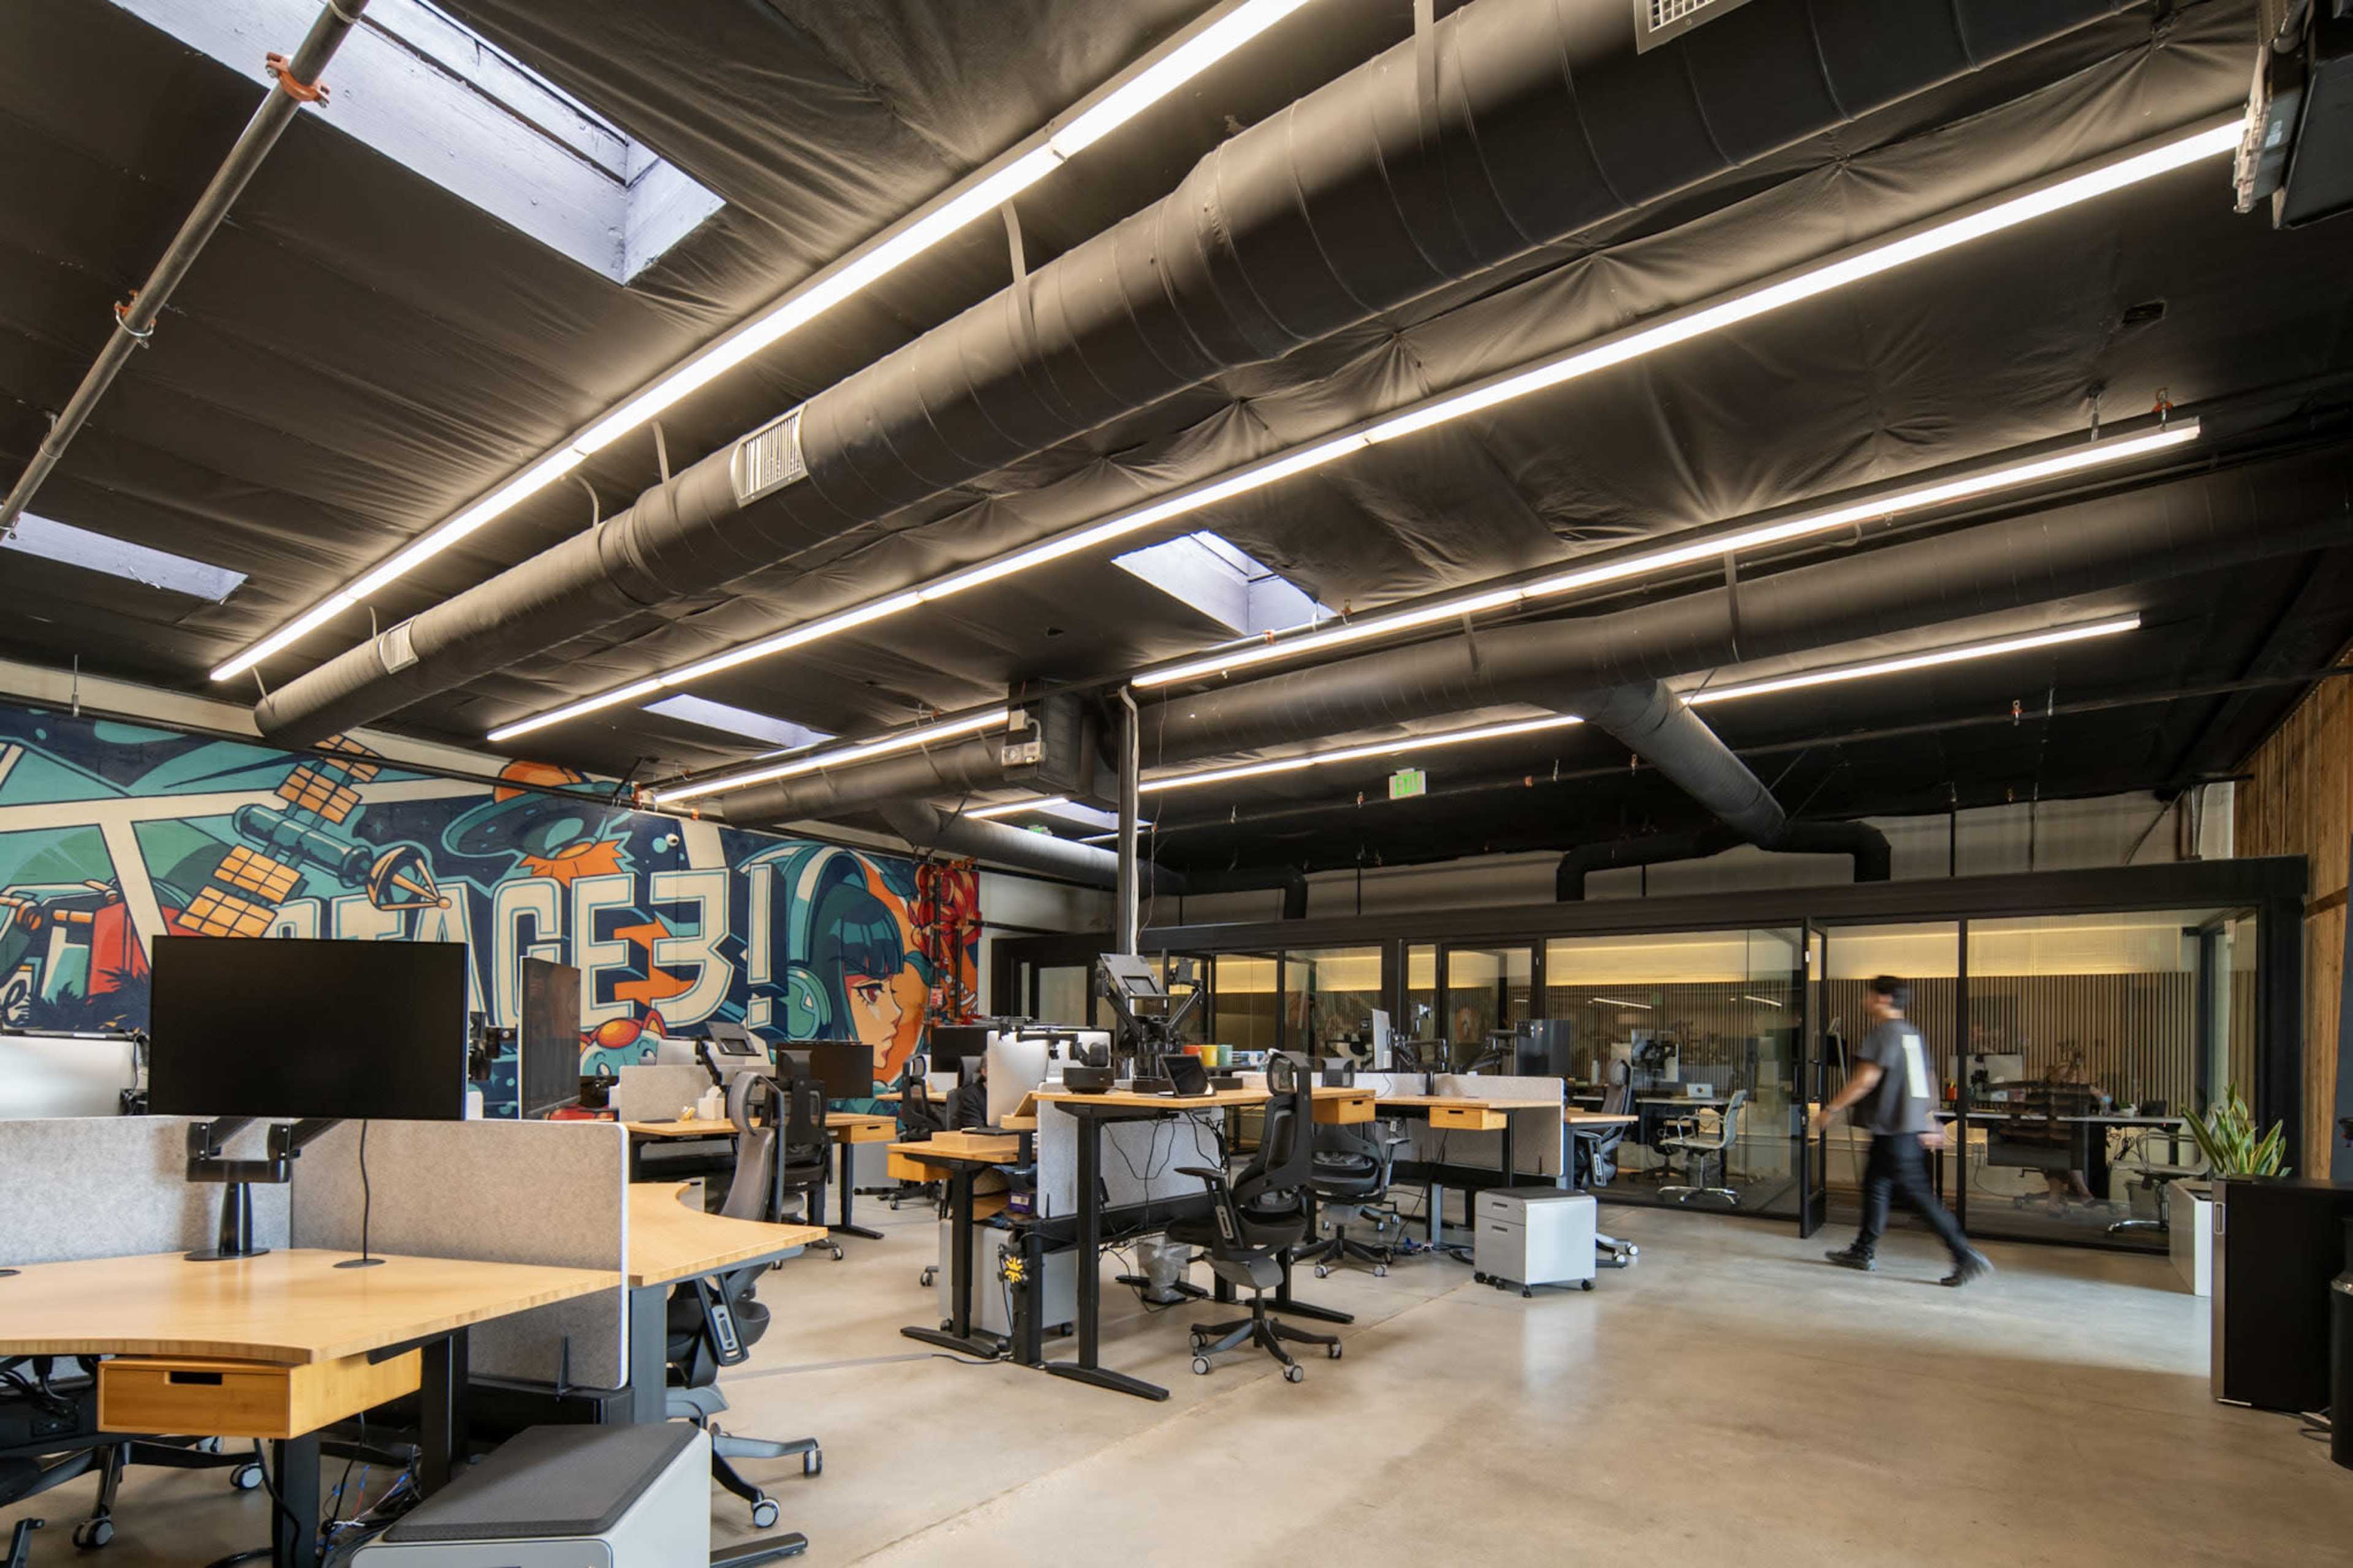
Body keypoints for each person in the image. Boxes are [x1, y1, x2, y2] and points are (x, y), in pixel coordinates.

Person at [1815, 976, 1992, 1286]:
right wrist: (1929, 1118)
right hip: (1900, 1129)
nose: (1864, 1000)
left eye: (1868, 995)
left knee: (1919, 1197)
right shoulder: (1912, 1034)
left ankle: (1964, 1255)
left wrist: (1831, 1109)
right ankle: (1863, 1251)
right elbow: (1927, 1080)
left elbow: (1865, 1081)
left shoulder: (1884, 1033)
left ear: (1882, 999)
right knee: (1876, 1186)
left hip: (1895, 1132)